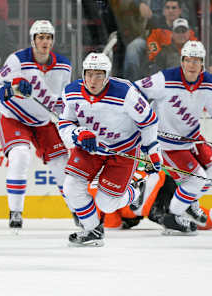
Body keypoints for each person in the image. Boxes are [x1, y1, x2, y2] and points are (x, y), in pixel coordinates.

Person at [58, 52, 161, 247]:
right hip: (90, 148)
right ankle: (92, 231)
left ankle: (135, 190)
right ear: (83, 73)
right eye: (89, 74)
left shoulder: (125, 92)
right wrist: (77, 134)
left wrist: (153, 150)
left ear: (107, 75)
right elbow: (64, 123)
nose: (93, 80)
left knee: (106, 203)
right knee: (71, 187)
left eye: (99, 75)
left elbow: (148, 121)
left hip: (123, 151)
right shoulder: (71, 92)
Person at [0, 20, 71, 230]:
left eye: (48, 37)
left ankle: (78, 211)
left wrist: (68, 119)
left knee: (61, 163)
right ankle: (15, 211)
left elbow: (65, 100)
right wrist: (10, 91)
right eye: (40, 37)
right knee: (20, 155)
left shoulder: (64, 65)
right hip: (14, 116)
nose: (45, 41)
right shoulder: (17, 61)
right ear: (33, 40)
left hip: (42, 121)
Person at [134, 40, 212, 235]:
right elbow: (134, 91)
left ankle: (190, 201)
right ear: (182, 61)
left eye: (197, 61)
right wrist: (144, 119)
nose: (192, 64)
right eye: (189, 60)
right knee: (196, 180)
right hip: (169, 144)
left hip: (193, 139)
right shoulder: (165, 79)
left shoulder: (208, 82)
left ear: (202, 64)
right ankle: (173, 215)